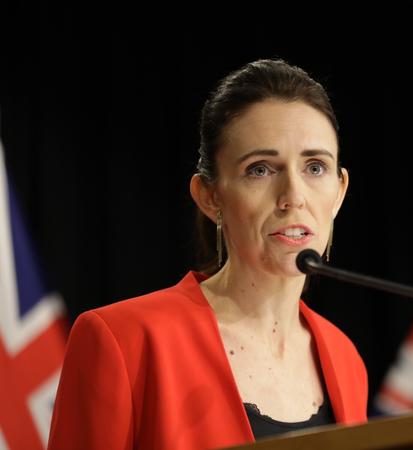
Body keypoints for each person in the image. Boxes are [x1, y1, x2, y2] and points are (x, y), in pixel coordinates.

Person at [48, 59, 368, 450]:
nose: (293, 197)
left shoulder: (345, 358)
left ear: (339, 191)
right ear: (210, 197)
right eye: (261, 169)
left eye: (315, 167)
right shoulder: (124, 341)